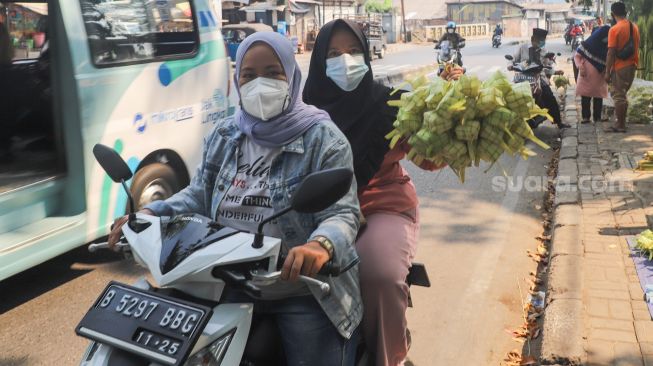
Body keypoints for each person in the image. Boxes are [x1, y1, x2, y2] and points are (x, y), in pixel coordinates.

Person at [108, 32, 363, 366]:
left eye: (273, 73)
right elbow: (199, 194)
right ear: (237, 80)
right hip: (219, 280)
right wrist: (150, 212)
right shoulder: (226, 133)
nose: (260, 84)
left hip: (300, 290)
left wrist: (320, 246)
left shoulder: (324, 139)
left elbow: (343, 213)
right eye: (249, 75)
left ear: (292, 75)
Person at [303, 19, 460, 366]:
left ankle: (390, 357)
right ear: (318, 61)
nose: (345, 60)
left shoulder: (389, 104)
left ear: (367, 55)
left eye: (354, 51)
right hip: (318, 210)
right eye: (333, 53)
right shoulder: (304, 111)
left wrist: (449, 113)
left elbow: (428, 159)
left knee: (380, 276)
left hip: (379, 207)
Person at [510, 28, 568, 129]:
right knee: (514, 98)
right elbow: (513, 59)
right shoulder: (522, 47)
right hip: (523, 77)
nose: (542, 43)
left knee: (550, 98)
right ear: (533, 39)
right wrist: (510, 65)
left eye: (543, 41)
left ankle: (559, 122)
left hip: (538, 78)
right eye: (540, 40)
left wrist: (555, 72)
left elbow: (547, 66)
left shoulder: (544, 51)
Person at [604, 1, 640, 133]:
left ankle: (620, 125)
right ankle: (621, 122)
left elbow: (611, 52)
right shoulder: (634, 27)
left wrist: (607, 72)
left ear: (613, 14)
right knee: (623, 94)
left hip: (620, 66)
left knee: (618, 95)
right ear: (625, 12)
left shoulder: (614, 29)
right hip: (632, 64)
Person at [574, 25, 610, 124]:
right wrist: (580, 66)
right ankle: (585, 117)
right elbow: (577, 56)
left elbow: (610, 59)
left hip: (600, 76)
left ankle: (597, 117)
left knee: (598, 97)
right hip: (586, 75)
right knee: (585, 96)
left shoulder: (608, 47)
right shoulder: (587, 44)